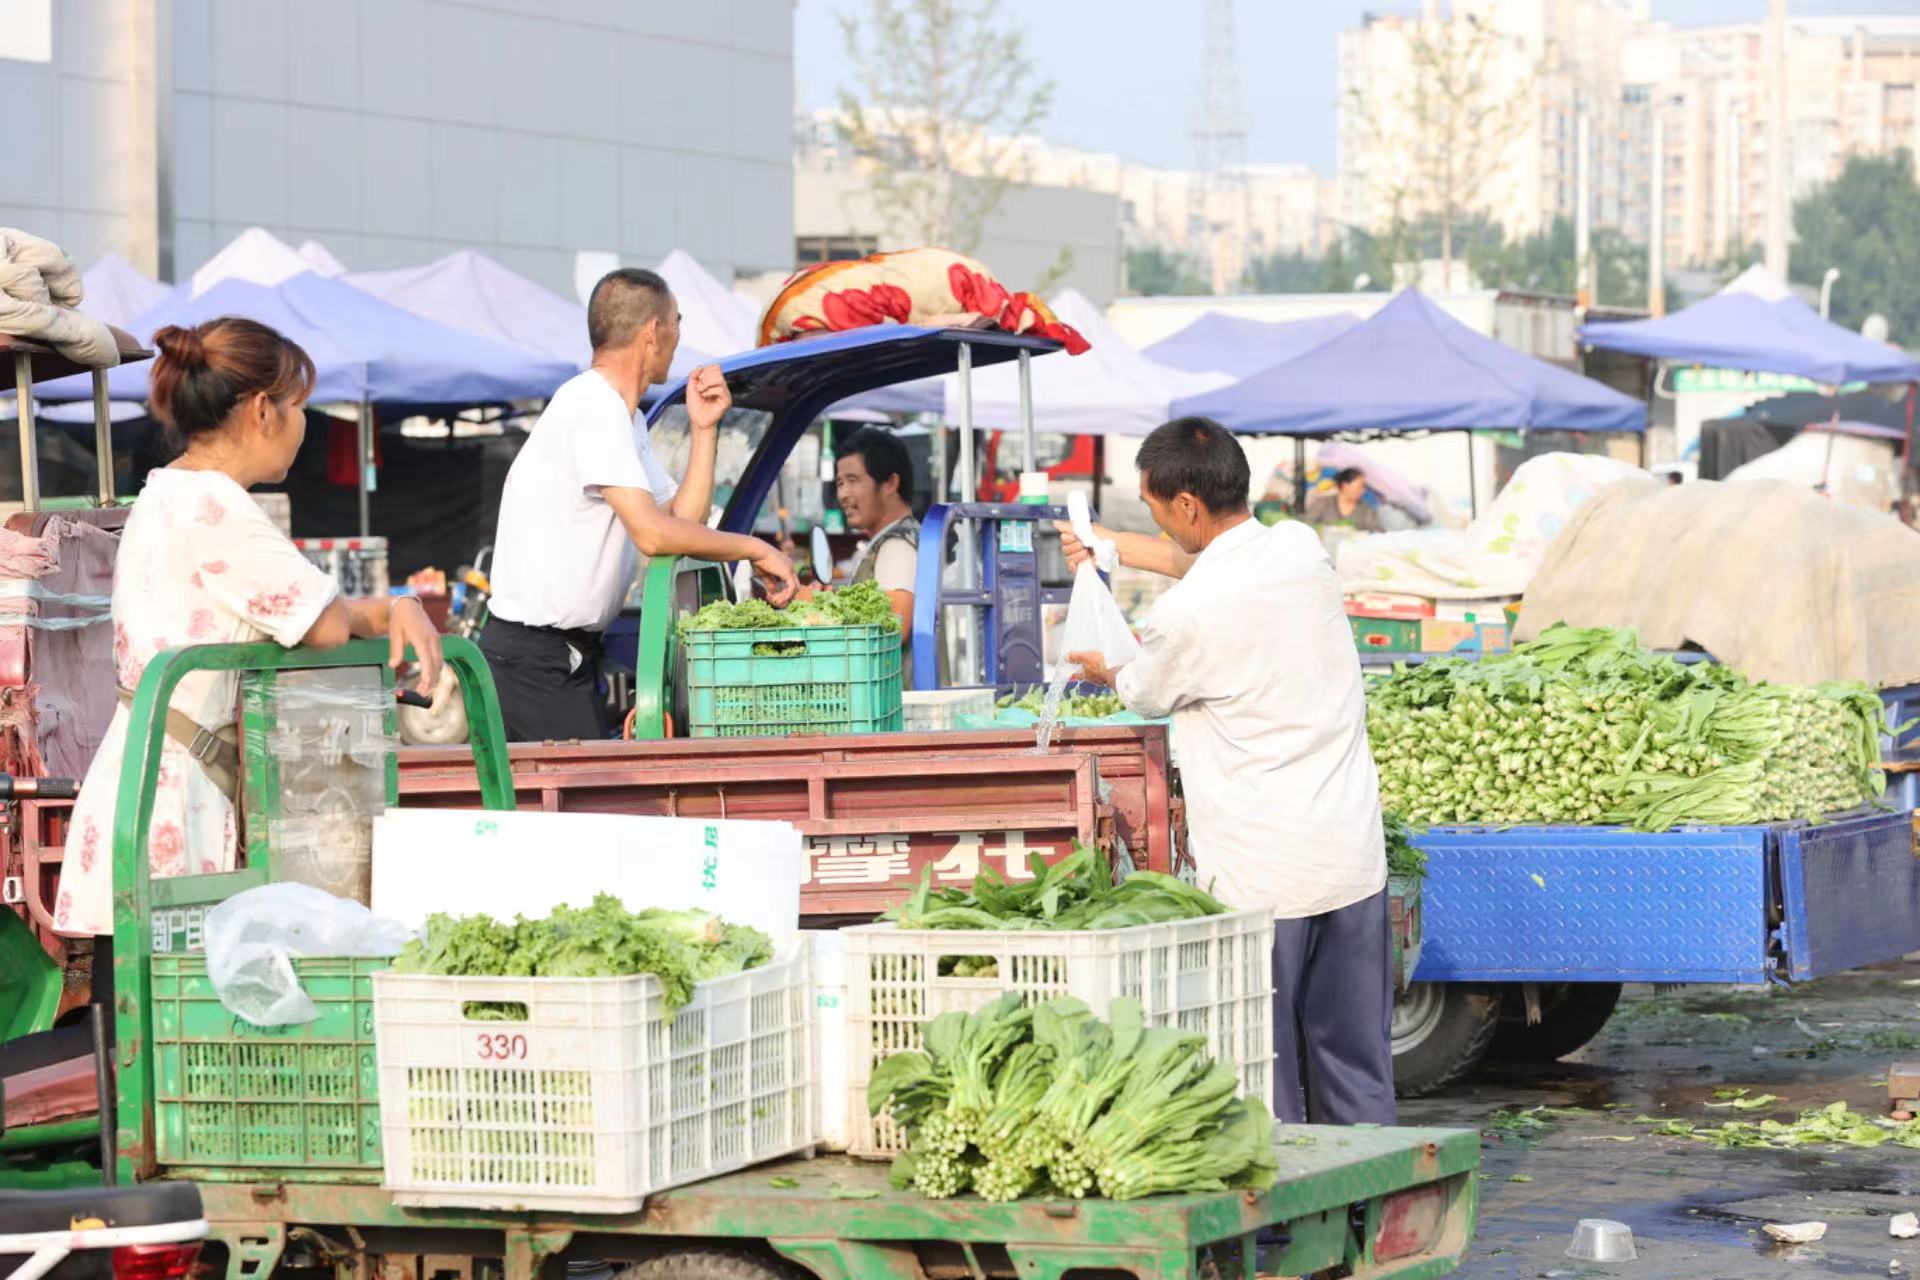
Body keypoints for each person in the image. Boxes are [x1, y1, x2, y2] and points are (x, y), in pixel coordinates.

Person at [54, 318, 444, 1010]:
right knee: (168, 1038)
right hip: (171, 800)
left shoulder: (168, 490)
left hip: (147, 780)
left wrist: (388, 608)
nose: (302, 424)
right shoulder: (215, 506)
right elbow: (323, 623)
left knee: (142, 1041)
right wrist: (393, 607)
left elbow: (311, 609)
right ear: (263, 409)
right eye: (298, 406)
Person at [1059, 417, 1393, 1126]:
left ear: (1186, 506)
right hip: (1349, 854)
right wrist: (1110, 546)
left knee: (1261, 1068)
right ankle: (1377, 1213)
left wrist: (1103, 666)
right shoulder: (1299, 549)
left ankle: (1278, 1229)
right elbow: (1208, 563)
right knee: (1353, 1058)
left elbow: (1143, 689)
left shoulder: (1189, 615)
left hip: (1264, 871)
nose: (1156, 521)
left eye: (1154, 509)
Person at [481, 268, 797, 741]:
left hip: (562, 655)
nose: (677, 336)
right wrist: (753, 548)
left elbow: (681, 522)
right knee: (588, 807)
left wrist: (704, 429)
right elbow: (652, 536)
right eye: (677, 322)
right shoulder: (594, 406)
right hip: (533, 659)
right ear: (653, 331)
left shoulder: (623, 419)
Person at [832, 428, 919, 681]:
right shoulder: (899, 537)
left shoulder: (897, 546)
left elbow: (894, 625)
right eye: (839, 483)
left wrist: (816, 605)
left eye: (853, 480)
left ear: (890, 483)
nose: (843, 494)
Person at [1303, 466, 1384, 532]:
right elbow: (1306, 525)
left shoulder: (1366, 510)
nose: (1362, 491)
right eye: (1360, 487)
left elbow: (1378, 532)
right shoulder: (1323, 504)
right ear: (1345, 485)